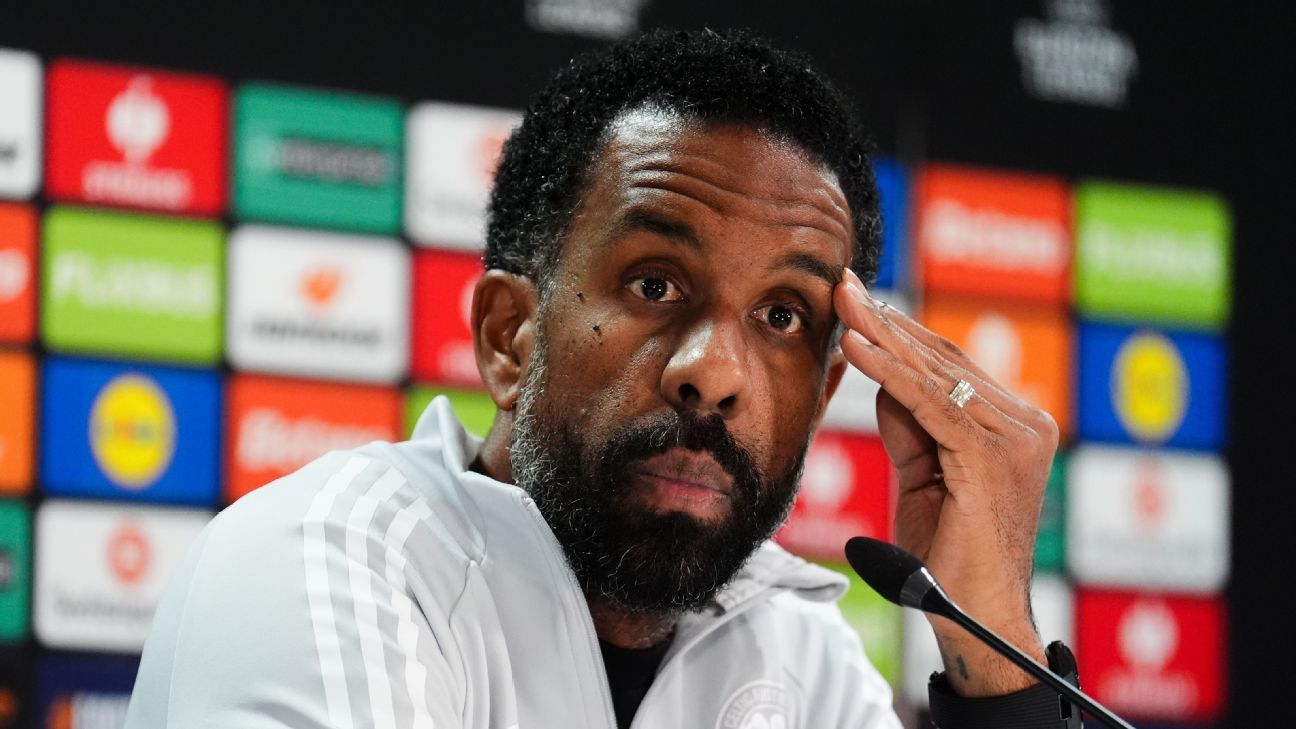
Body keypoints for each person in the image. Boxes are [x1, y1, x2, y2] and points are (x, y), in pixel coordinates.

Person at [126, 29, 1074, 729]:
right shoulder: (325, 565)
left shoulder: (804, 659)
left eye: (782, 316)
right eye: (655, 284)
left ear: (825, 396)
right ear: (509, 336)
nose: (716, 373)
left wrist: (990, 640)